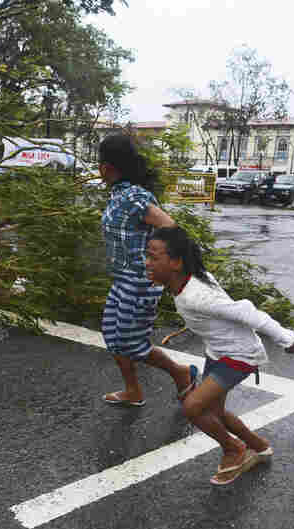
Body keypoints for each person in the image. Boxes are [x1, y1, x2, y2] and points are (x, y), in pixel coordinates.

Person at [145, 226, 294, 485]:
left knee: (193, 407)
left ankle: (234, 449)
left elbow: (246, 312)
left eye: (153, 257)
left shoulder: (197, 296)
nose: (148, 263)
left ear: (175, 263)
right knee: (213, 413)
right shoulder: (188, 279)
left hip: (238, 356)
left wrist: (288, 339)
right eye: (148, 256)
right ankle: (259, 446)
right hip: (218, 352)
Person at [98, 134, 196, 407]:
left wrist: (164, 266)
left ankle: (182, 373)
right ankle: (133, 391)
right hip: (122, 278)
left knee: (130, 343)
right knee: (112, 335)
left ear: (106, 167)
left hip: (140, 281)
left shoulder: (134, 197)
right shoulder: (120, 193)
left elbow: (172, 228)